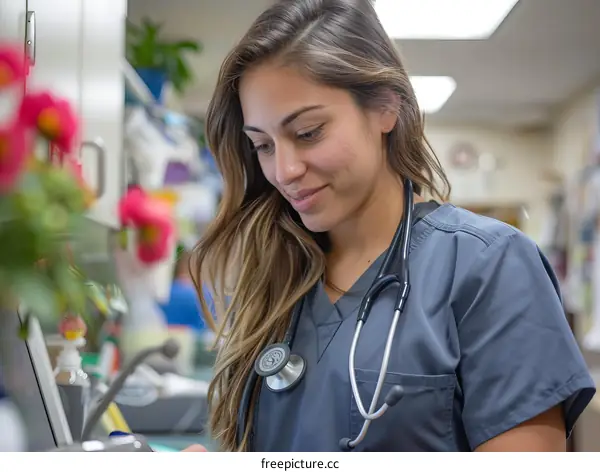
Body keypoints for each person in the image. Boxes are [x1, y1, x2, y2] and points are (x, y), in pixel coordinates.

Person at [187, 0, 596, 452]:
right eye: (262, 145)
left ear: (386, 108)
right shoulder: (276, 274)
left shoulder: (488, 265)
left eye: (308, 133)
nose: (283, 170)